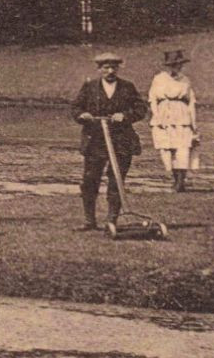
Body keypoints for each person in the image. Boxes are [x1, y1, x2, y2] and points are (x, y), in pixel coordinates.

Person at [71, 51, 149, 230]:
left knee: (117, 179)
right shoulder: (89, 87)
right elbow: (75, 107)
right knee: (90, 180)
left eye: (114, 67)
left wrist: (125, 115)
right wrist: (82, 115)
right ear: (99, 69)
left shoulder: (127, 87)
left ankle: (111, 220)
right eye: (106, 67)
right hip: (95, 139)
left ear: (118, 69)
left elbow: (140, 109)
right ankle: (89, 221)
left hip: (121, 140)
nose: (110, 71)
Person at [148, 48, 199, 192]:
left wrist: (193, 124)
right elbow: (153, 99)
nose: (176, 68)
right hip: (164, 114)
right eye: (173, 65)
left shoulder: (185, 80)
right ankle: (175, 178)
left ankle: (181, 182)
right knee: (167, 147)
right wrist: (157, 116)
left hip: (181, 114)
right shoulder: (159, 79)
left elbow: (191, 102)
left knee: (182, 147)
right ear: (167, 66)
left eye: (179, 65)